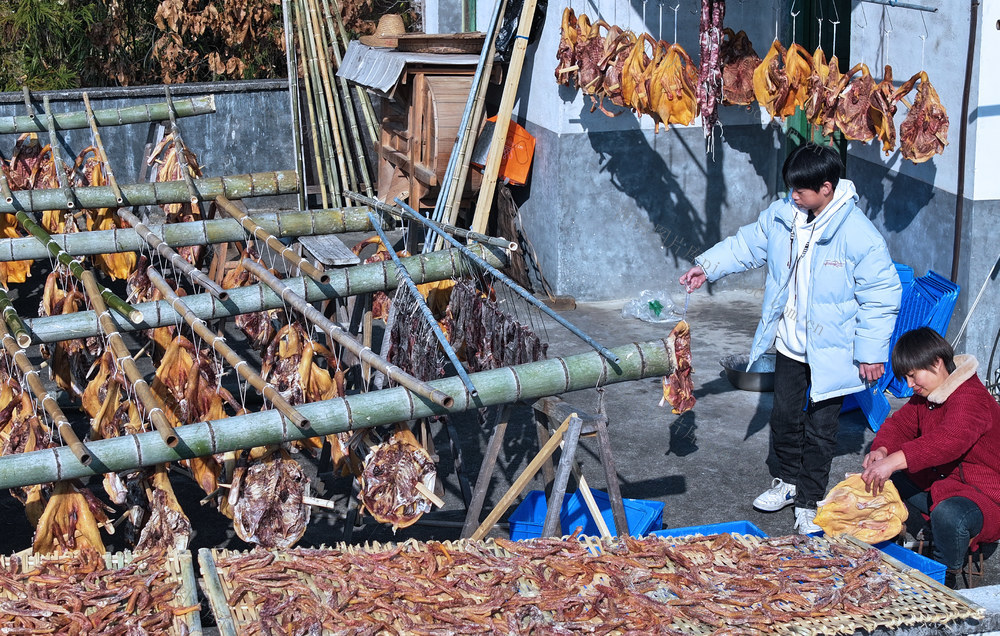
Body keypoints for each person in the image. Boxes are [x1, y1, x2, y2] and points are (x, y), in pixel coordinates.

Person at [679, 142, 901, 534]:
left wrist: (870, 352)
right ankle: (787, 481)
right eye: (791, 188)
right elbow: (747, 244)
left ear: (827, 188)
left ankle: (809, 499)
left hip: (833, 352)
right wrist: (706, 267)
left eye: (801, 190)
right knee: (783, 418)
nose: (793, 196)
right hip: (789, 344)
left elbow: (881, 297)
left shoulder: (858, 235)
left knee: (821, 428)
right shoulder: (785, 216)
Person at [861, 327, 1000, 587]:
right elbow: (899, 426)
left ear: (936, 363)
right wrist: (881, 450)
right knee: (878, 482)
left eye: (913, 376)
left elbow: (948, 441)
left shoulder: (971, 397)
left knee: (948, 515)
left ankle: (944, 576)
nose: (910, 385)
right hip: (941, 484)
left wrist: (893, 461)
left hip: (984, 495)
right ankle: (884, 545)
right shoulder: (926, 397)